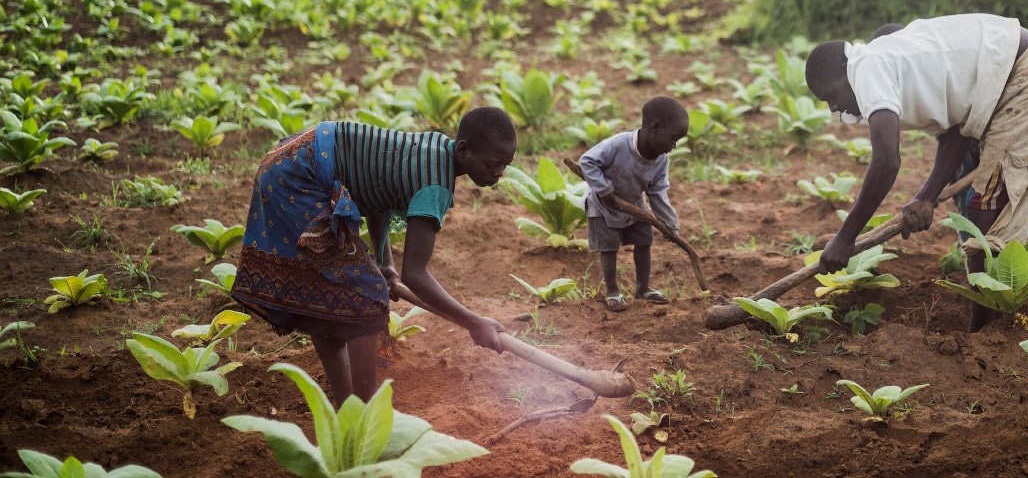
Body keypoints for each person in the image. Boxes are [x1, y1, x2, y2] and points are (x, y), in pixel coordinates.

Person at [806, 13, 1028, 332]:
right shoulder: (892, 65)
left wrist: (844, 238)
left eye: (832, 96)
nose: (836, 109)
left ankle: (984, 334)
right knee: (986, 207)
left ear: (845, 71)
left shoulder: (866, 66)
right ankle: (992, 322)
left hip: (1027, 74)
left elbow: (887, 161)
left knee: (987, 214)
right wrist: (924, 199)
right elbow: (955, 133)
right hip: (1024, 71)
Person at [231, 107, 517, 405]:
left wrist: (385, 263)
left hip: (293, 157)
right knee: (367, 296)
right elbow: (416, 276)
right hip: (299, 178)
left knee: (330, 294)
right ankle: (364, 414)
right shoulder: (435, 185)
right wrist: (474, 322)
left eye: (505, 165)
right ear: (463, 149)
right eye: (494, 164)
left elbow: (379, 195)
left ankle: (348, 408)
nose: (499, 173)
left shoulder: (434, 148)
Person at [579, 95, 688, 312]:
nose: (673, 146)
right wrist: (604, 189)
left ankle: (643, 288)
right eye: (673, 139)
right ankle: (612, 291)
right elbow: (587, 161)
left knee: (644, 240)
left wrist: (670, 225)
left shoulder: (661, 160)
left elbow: (657, 193)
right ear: (655, 127)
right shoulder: (618, 144)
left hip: (635, 205)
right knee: (609, 247)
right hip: (602, 205)